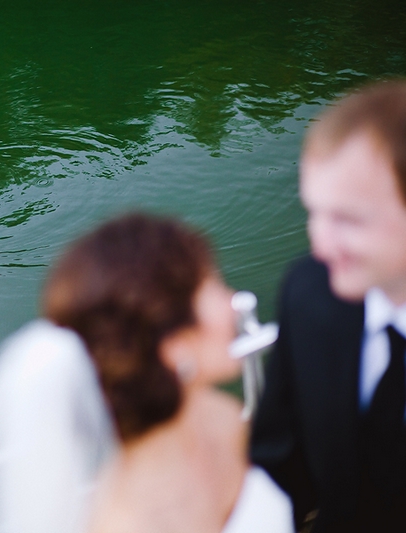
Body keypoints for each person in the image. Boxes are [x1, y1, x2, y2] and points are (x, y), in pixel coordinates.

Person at [42, 213, 293, 533]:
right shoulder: (125, 524)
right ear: (175, 348)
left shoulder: (222, 419)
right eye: (213, 288)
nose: (233, 303)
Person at [251, 80, 406, 531]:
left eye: (348, 219)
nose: (321, 245)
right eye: (314, 212)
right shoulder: (310, 293)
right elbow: (279, 458)